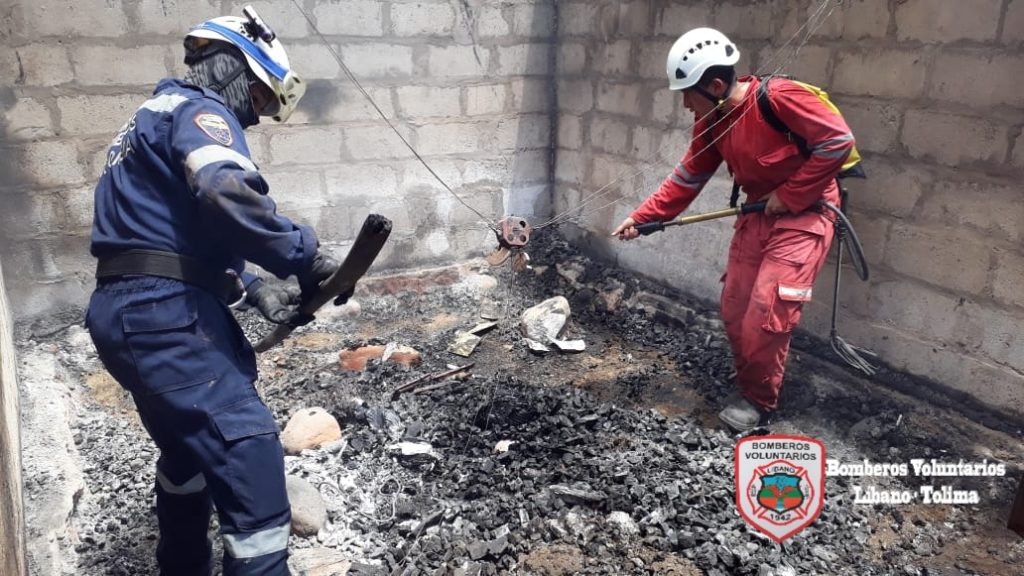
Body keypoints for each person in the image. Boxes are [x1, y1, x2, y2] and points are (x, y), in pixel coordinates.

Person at [85, 7, 339, 575]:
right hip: (157, 314)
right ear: (233, 70)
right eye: (259, 95)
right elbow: (227, 195)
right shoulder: (201, 112)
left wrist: (251, 287)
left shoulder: (152, 116)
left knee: (188, 448)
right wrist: (304, 255)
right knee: (247, 448)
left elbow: (166, 238)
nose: (256, 114)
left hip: (130, 309)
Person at [611, 27, 856, 433]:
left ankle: (758, 401)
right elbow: (687, 178)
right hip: (759, 211)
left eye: (688, 93)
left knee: (766, 311)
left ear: (717, 85)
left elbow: (837, 141)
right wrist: (643, 218)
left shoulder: (778, 99)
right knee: (735, 307)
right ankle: (753, 377)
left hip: (806, 213)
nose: (685, 103)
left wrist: (792, 194)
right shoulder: (712, 123)